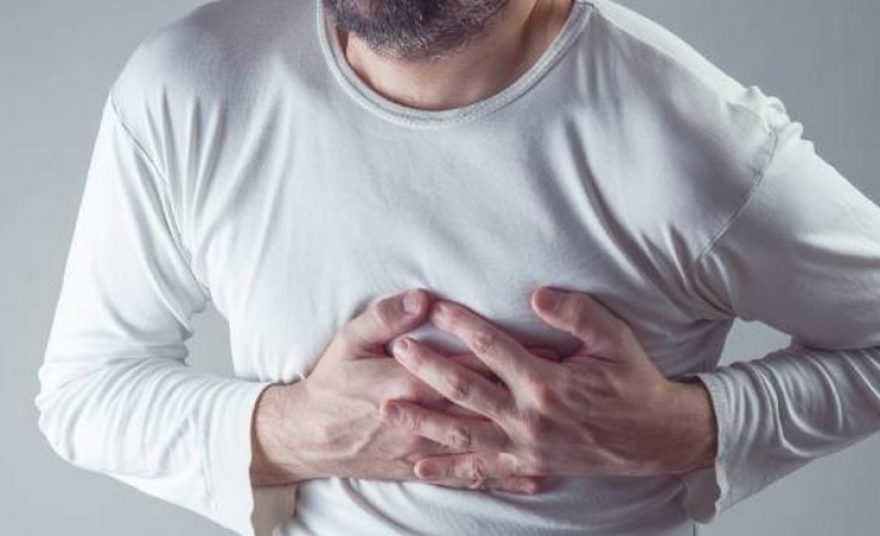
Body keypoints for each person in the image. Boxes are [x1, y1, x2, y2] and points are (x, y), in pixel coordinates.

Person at [35, 0, 880, 535]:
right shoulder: (192, 86)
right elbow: (85, 390)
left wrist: (691, 428)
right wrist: (290, 430)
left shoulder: (696, 142)